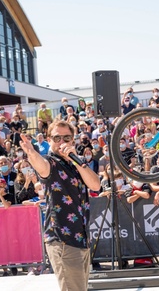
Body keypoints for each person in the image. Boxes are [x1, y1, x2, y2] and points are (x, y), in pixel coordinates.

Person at [19, 120, 100, 291]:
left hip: (81, 239)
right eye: (56, 138)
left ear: (73, 140)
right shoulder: (51, 163)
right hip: (63, 241)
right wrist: (32, 153)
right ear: (49, 139)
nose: (62, 142)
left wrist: (78, 161)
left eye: (66, 137)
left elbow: (95, 186)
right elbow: (42, 166)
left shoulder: (75, 164)